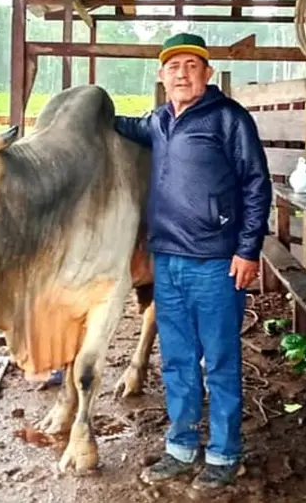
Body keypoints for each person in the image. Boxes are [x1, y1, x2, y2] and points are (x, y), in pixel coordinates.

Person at [112, 32, 272, 491]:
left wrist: (248, 249)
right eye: (173, 66)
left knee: (219, 361)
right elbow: (123, 125)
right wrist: (90, 109)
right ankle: (180, 447)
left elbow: (256, 185)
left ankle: (224, 453)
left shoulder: (229, 119)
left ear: (207, 73)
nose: (181, 74)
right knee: (177, 361)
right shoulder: (158, 121)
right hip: (168, 260)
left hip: (217, 263)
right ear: (161, 77)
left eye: (191, 65)